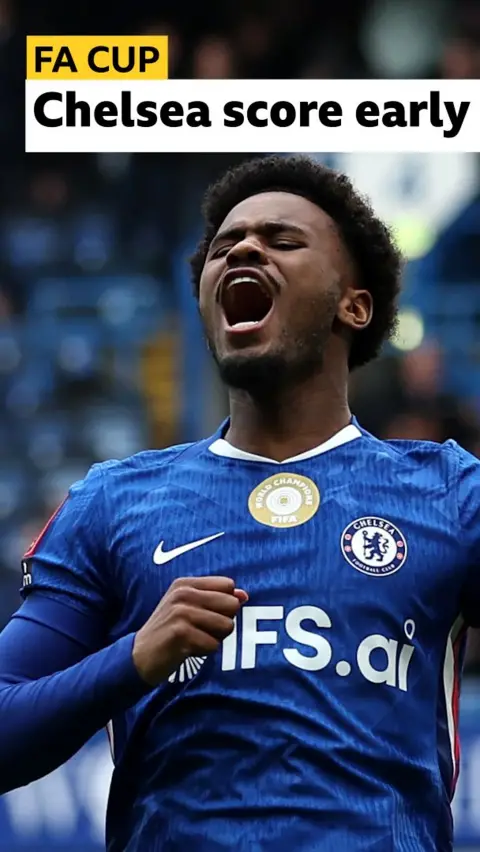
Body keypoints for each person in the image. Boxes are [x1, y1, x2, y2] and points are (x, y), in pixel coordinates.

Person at [0, 155, 478, 852]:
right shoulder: (113, 500)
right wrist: (133, 658)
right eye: (225, 247)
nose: (245, 248)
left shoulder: (450, 493)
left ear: (355, 304)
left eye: (283, 240)